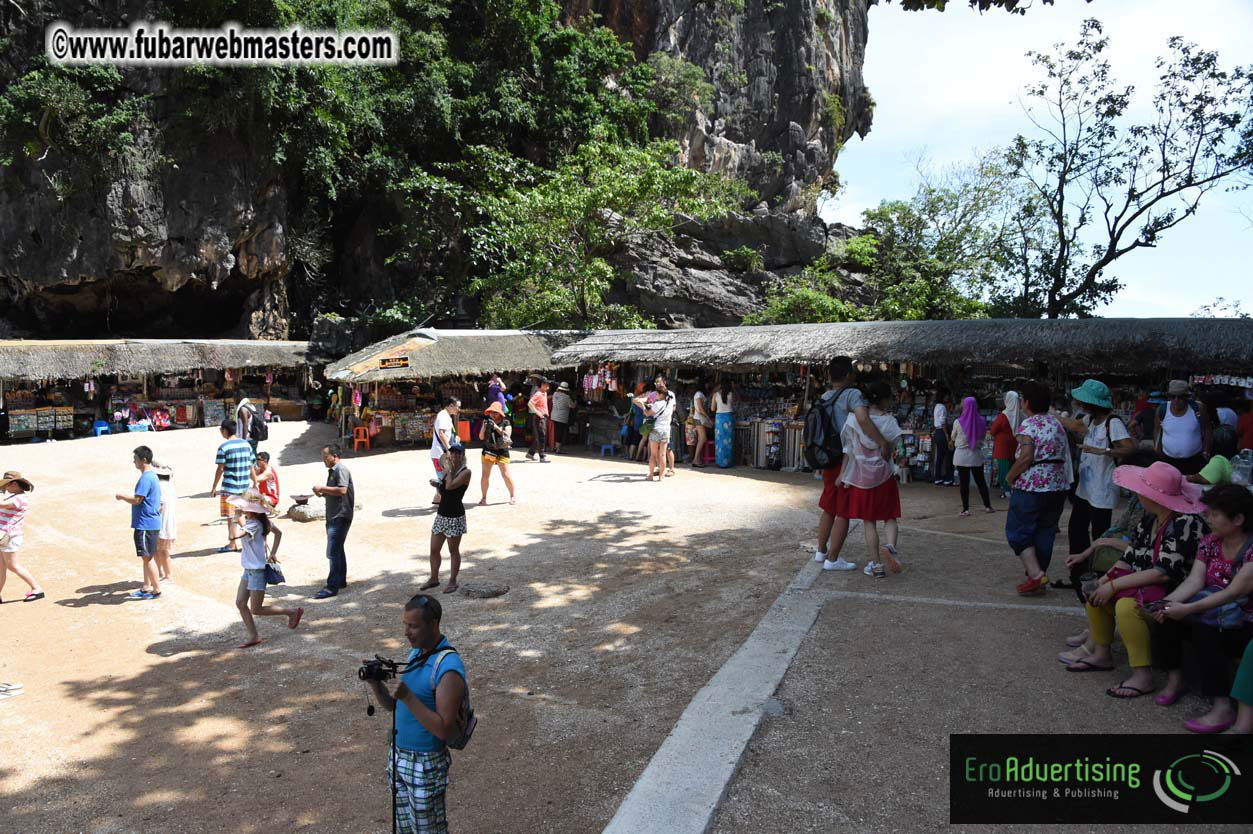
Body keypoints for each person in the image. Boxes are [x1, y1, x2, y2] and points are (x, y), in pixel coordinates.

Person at [1064, 461, 1205, 699]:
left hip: (1173, 592)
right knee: (1096, 593)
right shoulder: (1151, 518)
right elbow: (1129, 558)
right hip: (1146, 585)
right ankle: (1101, 653)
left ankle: (1142, 674)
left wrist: (1113, 585)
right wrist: (1104, 581)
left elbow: (1163, 572)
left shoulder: (1185, 523)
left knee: (1126, 607)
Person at [1151, 484, 1253, 730]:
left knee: (1204, 629)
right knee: (1166, 616)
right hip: (1215, 612)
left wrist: (1188, 609)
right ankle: (1175, 679)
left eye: (1215, 514)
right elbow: (1195, 581)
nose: (1208, 518)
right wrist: (1166, 604)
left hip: (1244, 621)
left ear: (1238, 519)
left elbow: (1233, 592)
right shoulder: (1210, 542)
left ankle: (1222, 706)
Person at [365, 593, 468, 834]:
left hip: (425, 764)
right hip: (399, 757)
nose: (406, 632)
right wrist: (375, 684)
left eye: (413, 626)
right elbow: (393, 706)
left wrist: (408, 696)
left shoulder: (448, 667)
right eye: (405, 625)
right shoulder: (416, 653)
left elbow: (443, 729)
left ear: (433, 624)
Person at [1060, 450, 1159, 651]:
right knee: (1092, 579)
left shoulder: (1153, 507)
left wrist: (1102, 544)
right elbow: (1119, 529)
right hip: (1132, 556)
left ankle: (1097, 640)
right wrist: (1093, 547)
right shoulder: (1138, 500)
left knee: (1100, 583)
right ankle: (1096, 634)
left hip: (1141, 563)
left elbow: (1144, 548)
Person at [813, 356, 891, 572]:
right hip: (845, 458)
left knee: (829, 506)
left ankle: (821, 551)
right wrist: (882, 441)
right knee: (843, 510)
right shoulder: (852, 394)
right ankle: (833, 559)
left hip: (827, 457)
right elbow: (863, 419)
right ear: (848, 374)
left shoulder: (825, 396)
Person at [1005, 381, 1072, 596]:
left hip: (1032, 484)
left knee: (1017, 530)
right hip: (1057, 484)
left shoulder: (1029, 425)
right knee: (1045, 530)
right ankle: (1038, 574)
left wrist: (1010, 476)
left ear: (1026, 402)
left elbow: (1026, 456)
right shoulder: (1057, 424)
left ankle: (1035, 575)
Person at [839, 381, 904, 578]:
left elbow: (848, 449)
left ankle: (876, 565)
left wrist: (843, 474)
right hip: (884, 476)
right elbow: (891, 450)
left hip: (862, 478)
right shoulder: (890, 422)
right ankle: (890, 546)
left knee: (869, 522)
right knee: (890, 516)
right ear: (884, 400)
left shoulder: (853, 420)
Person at [227, 491, 302, 648]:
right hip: (249, 570)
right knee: (240, 602)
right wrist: (273, 552)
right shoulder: (261, 522)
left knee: (256, 608)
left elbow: (233, 537)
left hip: (256, 572)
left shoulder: (253, 525)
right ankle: (254, 636)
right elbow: (278, 533)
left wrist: (234, 518)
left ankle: (291, 612)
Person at [1068, 379, 1133, 554]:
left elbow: (1129, 449)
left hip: (1102, 489)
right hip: (1085, 489)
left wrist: (1103, 451)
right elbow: (1073, 425)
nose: (1081, 404)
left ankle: (1098, 568)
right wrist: (1050, 413)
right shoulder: (1090, 419)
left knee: (1099, 532)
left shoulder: (1112, 423)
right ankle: (1079, 568)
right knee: (1076, 530)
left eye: (1084, 401)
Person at [421, 444, 471, 594]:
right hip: (442, 514)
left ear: (462, 455)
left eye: (458, 453)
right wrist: (437, 484)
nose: (455, 455)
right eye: (452, 453)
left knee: (453, 550)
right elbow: (443, 489)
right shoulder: (447, 470)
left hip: (455, 516)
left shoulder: (466, 472)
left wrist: (448, 470)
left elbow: (449, 486)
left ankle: (452, 581)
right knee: (434, 549)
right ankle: (434, 578)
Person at [115, 446, 163, 600]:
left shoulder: (146, 478)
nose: (133, 461)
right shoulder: (152, 476)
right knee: (146, 556)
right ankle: (147, 586)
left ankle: (156, 590)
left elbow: (137, 500)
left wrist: (122, 496)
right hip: (151, 522)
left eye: (135, 459)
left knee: (147, 558)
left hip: (145, 523)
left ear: (143, 460)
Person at [311, 444, 354, 599]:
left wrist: (322, 488)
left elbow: (342, 490)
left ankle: (331, 587)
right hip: (334, 515)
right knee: (338, 549)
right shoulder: (333, 471)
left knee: (332, 552)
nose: (323, 459)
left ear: (334, 456)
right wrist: (322, 493)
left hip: (340, 516)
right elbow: (336, 492)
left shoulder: (341, 470)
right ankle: (340, 580)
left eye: (325, 456)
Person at [210, 418, 255, 553]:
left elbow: (220, 469)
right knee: (240, 514)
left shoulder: (224, 447)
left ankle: (233, 543)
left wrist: (214, 487)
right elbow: (251, 465)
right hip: (244, 486)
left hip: (230, 488)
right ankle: (250, 537)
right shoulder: (247, 445)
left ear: (224, 430)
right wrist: (255, 482)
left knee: (231, 517)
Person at [0, 471, 42, 603]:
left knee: (12, 565)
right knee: (1, 566)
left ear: (14, 483)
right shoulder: (14, 496)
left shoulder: (20, 498)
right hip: (4, 536)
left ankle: (37, 589)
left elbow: (3, 505)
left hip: (10, 536)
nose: (5, 488)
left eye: (7, 484)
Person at [1156, 380, 1210, 475]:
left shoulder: (1198, 409)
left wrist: (1206, 452)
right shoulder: (1162, 409)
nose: (1176, 400)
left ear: (1187, 397)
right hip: (1168, 460)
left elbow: (1207, 430)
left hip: (1194, 461)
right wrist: (1158, 451)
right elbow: (1157, 430)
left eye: (1180, 397)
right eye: (1173, 397)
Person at [951, 396, 993, 517]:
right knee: (981, 481)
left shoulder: (958, 422)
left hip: (961, 455)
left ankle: (965, 509)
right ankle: (988, 506)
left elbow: (953, 437)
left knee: (964, 483)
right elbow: (983, 436)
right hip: (975, 454)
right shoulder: (981, 421)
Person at [635, 375, 676, 481]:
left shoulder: (657, 404)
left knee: (653, 455)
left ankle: (651, 476)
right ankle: (661, 476)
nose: (655, 395)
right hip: (666, 430)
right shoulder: (670, 403)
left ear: (661, 394)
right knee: (663, 454)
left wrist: (643, 406)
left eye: (657, 394)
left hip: (656, 430)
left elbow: (647, 413)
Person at [988, 391, 1022, 499]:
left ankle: (1007, 491)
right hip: (1015, 445)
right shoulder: (1020, 414)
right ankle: (1013, 489)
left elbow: (993, 430)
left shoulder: (1003, 415)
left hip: (1003, 447)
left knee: (1004, 469)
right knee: (1012, 467)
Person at [430, 397, 460, 504]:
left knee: (445, 478)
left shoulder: (445, 416)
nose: (459, 409)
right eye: (458, 407)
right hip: (440, 454)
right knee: (447, 479)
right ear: (451, 406)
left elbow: (445, 434)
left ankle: (437, 500)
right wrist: (449, 449)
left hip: (440, 453)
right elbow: (441, 434)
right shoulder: (443, 416)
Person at [154, 464, 176, 582]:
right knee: (161, 550)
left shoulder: (159, 486)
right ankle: (161, 573)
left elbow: (159, 506)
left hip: (161, 522)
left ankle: (166, 575)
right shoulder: (170, 485)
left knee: (160, 550)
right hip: (168, 522)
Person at [688, 378, 712, 468]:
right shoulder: (699, 394)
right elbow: (700, 408)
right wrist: (707, 417)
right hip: (699, 418)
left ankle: (697, 459)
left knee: (701, 439)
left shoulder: (699, 394)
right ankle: (696, 459)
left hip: (698, 418)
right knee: (702, 438)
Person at [932, 390, 954, 486]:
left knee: (940, 456)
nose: (947, 398)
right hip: (942, 432)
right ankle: (948, 478)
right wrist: (947, 435)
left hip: (937, 432)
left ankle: (938, 477)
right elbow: (943, 423)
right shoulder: (942, 407)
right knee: (948, 455)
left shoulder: (937, 406)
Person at [527, 380, 550, 462]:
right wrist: (538, 413)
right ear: (542, 385)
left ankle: (531, 453)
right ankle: (542, 456)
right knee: (541, 436)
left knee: (539, 436)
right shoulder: (539, 394)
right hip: (539, 417)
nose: (548, 386)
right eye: (546, 385)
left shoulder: (544, 393)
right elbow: (530, 403)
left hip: (542, 417)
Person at [713, 381, 735, 468]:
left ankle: (720, 462)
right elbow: (734, 404)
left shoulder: (715, 395)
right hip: (728, 417)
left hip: (719, 418)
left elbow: (712, 408)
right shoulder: (731, 394)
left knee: (720, 440)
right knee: (728, 441)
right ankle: (728, 462)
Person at [549, 381, 575, 454]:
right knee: (560, 432)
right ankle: (558, 449)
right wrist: (575, 402)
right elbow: (572, 406)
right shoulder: (567, 397)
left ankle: (554, 447)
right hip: (562, 417)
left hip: (554, 415)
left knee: (555, 431)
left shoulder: (555, 394)